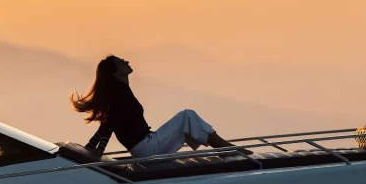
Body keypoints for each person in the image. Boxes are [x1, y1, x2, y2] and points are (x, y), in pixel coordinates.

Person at [71, 55, 247, 158]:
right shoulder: (120, 93)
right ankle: (227, 150)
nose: (126, 61)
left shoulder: (120, 91)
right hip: (145, 148)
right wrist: (95, 151)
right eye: (122, 62)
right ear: (117, 73)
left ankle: (225, 149)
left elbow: (108, 123)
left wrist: (92, 148)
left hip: (145, 145)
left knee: (187, 120)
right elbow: (110, 125)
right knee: (187, 116)